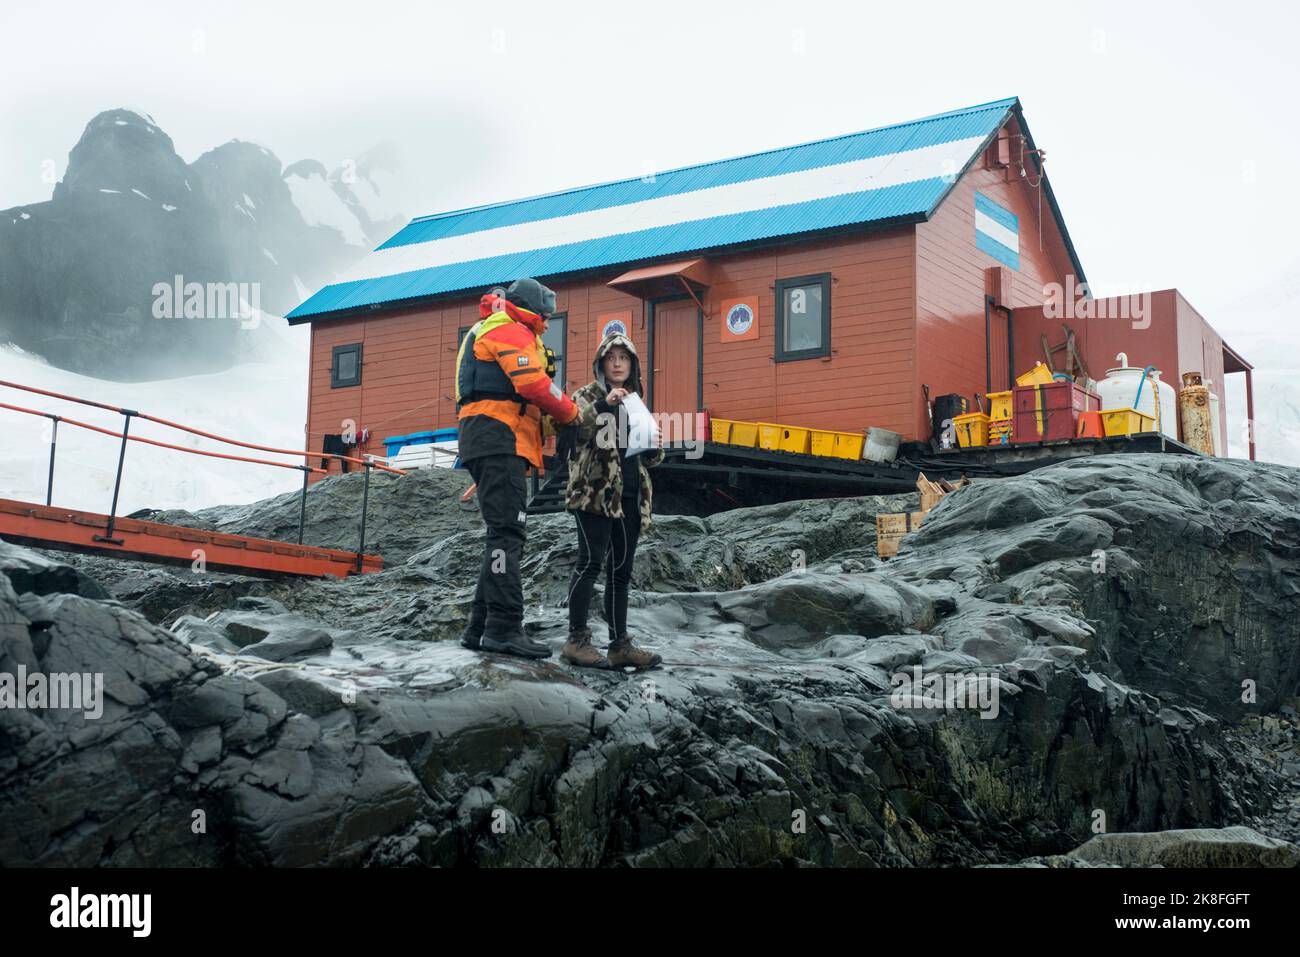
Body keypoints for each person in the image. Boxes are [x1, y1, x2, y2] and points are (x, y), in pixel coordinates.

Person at [455, 278, 593, 659]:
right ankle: (504, 627)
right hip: (497, 438)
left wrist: (554, 422)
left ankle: (479, 627)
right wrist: (570, 414)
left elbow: (522, 395)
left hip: (490, 437)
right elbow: (532, 383)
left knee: (501, 533)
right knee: (507, 534)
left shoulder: (498, 328)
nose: (548, 321)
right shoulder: (510, 329)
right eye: (546, 314)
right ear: (532, 309)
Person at [560, 333, 664, 670]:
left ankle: (619, 645)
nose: (617, 363)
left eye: (624, 357)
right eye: (611, 357)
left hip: (631, 494)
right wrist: (605, 404)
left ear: (632, 365)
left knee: (621, 572)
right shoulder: (586, 396)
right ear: (601, 364)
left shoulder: (637, 401)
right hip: (593, 495)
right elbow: (574, 430)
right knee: (590, 563)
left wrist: (654, 443)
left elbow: (652, 456)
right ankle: (576, 640)